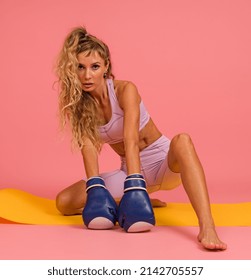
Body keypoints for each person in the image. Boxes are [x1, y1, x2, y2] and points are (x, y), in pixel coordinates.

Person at [55, 26, 227, 250]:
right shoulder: (78, 106)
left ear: (106, 67)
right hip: (129, 169)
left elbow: (131, 140)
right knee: (64, 202)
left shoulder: (126, 90)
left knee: (183, 140)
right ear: (73, 70)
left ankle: (207, 226)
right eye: (80, 67)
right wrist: (96, 190)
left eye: (94, 67)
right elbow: (88, 150)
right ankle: (128, 201)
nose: (87, 75)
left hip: (163, 164)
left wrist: (135, 187)